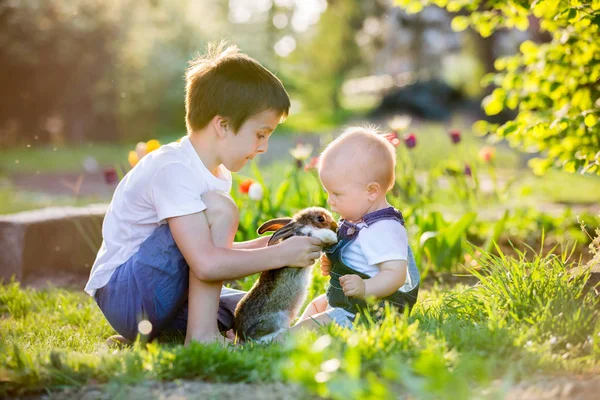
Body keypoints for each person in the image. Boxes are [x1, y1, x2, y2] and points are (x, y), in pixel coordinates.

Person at [84, 42, 324, 345]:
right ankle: (201, 337)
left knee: (244, 312)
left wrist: (270, 243)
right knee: (221, 210)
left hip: (160, 298)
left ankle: (156, 338)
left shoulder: (214, 175)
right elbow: (207, 263)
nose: (263, 146)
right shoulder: (173, 169)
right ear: (222, 125)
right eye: (260, 134)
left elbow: (200, 251)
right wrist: (278, 254)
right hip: (126, 296)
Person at [288, 126, 420, 334]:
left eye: (337, 194)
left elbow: (396, 275)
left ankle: (277, 341)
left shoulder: (385, 228)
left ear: (371, 191)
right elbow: (358, 257)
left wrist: (366, 288)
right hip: (350, 304)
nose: (329, 201)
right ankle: (289, 335)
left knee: (325, 319)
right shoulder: (357, 222)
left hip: (373, 312)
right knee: (318, 305)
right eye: (328, 192)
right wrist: (335, 264)